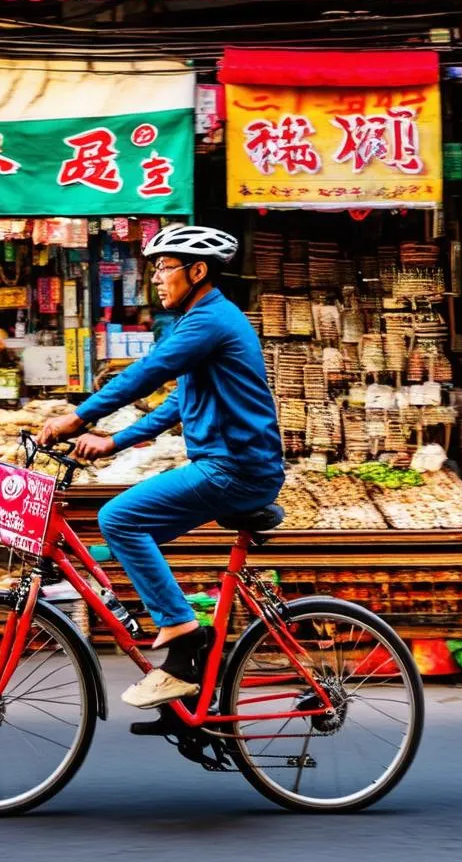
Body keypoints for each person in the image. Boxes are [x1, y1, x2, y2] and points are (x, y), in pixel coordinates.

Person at [40, 224, 285, 709]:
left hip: (235, 469)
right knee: (132, 529)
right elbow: (179, 403)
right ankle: (185, 688)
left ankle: (182, 643)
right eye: (155, 269)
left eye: (165, 267)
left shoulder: (209, 321)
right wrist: (113, 441)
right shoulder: (200, 321)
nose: (156, 278)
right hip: (229, 466)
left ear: (197, 271)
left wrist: (78, 417)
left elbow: (147, 373)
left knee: (119, 519)